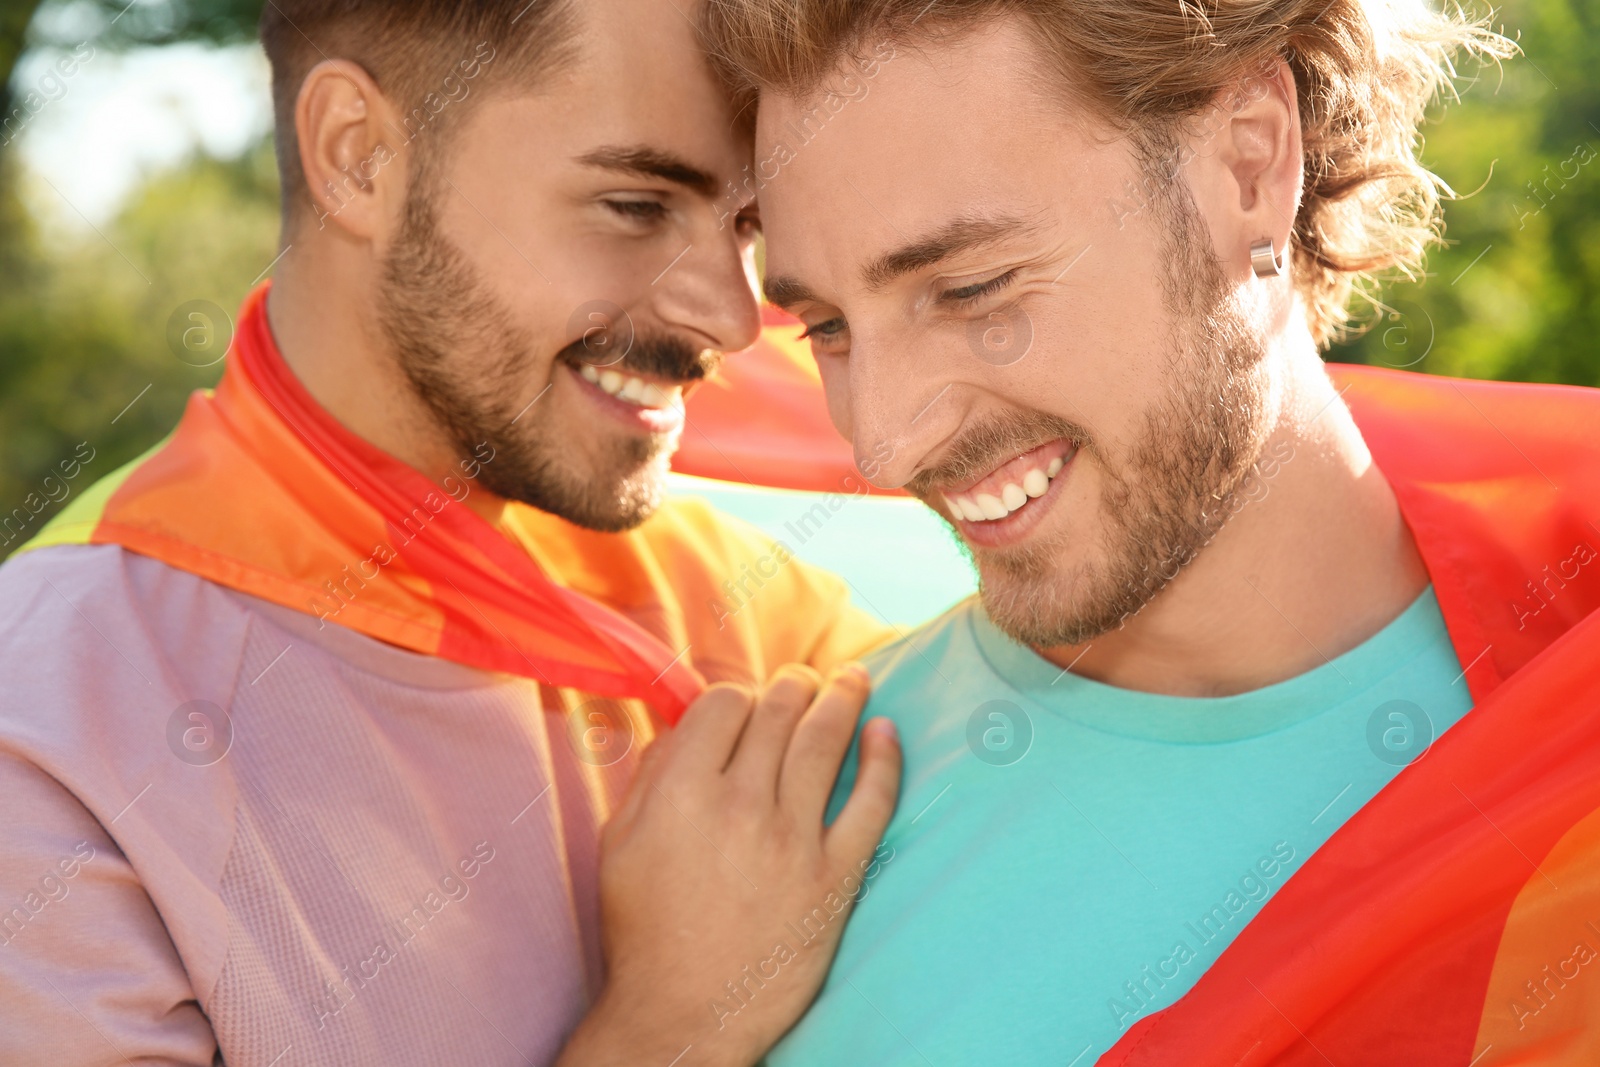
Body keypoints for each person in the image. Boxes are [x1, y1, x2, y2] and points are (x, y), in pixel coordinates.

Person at [0, 2, 905, 1064]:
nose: (736, 318)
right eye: (635, 205)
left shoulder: (743, 594)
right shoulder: (50, 725)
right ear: (358, 155)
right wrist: (667, 1027)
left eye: (749, 228)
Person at [703, 0, 1600, 1063]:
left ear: (1249, 166)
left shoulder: (1566, 772)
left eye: (971, 287)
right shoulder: (764, 841)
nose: (884, 445)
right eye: (829, 329)